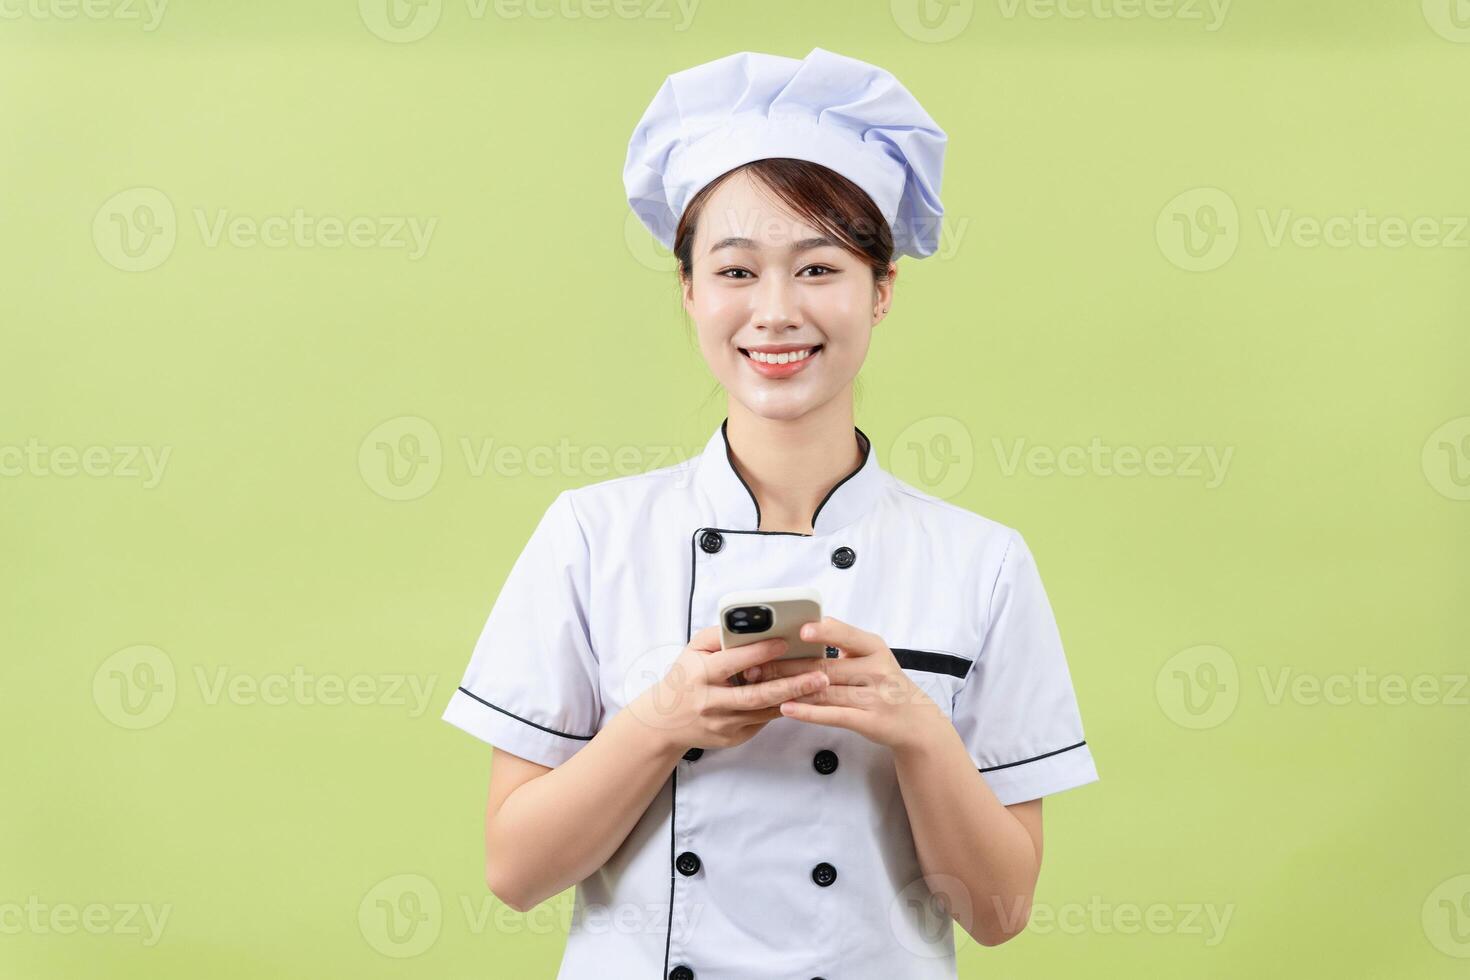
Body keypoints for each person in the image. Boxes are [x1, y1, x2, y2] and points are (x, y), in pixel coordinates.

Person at [442, 46, 1099, 980]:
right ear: (690, 292)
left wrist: (917, 727)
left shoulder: (981, 562)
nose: (777, 312)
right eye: (738, 271)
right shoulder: (591, 536)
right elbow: (514, 872)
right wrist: (663, 718)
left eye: (819, 268)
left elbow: (997, 915)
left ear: (881, 291)